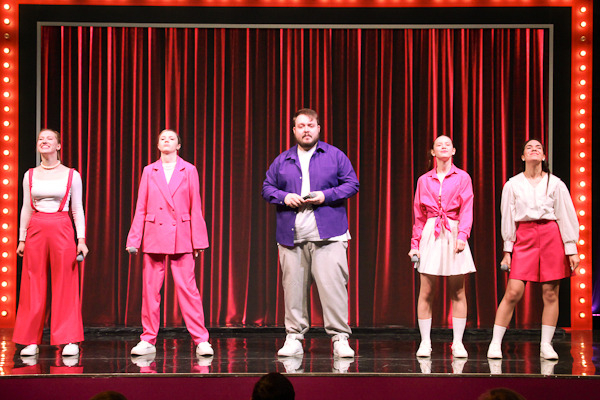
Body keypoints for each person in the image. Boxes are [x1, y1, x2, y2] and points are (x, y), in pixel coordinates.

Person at [262, 108, 359, 358]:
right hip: (292, 237)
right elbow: (267, 187)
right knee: (293, 290)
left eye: (311, 125)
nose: (306, 130)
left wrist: (325, 196)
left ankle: (340, 338)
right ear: (294, 130)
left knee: (333, 288)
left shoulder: (335, 155)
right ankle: (294, 337)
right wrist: (284, 197)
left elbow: (352, 184)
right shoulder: (283, 160)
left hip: (330, 235)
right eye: (302, 126)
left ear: (318, 129)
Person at [487, 139, 579, 360]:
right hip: (525, 236)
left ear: (544, 156)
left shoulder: (555, 183)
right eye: (529, 147)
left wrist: (571, 248)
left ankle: (546, 345)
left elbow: (566, 215)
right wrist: (508, 250)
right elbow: (507, 218)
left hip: (551, 235)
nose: (534, 150)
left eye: (538, 147)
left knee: (550, 292)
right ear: (523, 156)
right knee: (513, 291)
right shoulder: (513, 184)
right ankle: (495, 342)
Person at [126, 129, 213, 357]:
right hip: (154, 233)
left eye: (171, 138)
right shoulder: (149, 170)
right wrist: (134, 238)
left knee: (188, 289)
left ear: (178, 145)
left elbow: (195, 205)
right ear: (157, 145)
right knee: (150, 291)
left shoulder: (189, 170)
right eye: (163, 138)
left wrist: (198, 240)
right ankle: (147, 339)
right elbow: (141, 206)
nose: (166, 140)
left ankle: (201, 339)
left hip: (181, 234)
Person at [13, 129, 88, 357]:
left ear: (58, 146)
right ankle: (29, 340)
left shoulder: (71, 175)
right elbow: (26, 207)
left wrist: (81, 239)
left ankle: (69, 339)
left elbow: (77, 209)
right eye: (41, 139)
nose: (44, 141)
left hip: (62, 226)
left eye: (49, 139)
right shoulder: (30, 175)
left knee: (65, 283)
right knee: (32, 284)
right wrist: (22, 238)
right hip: (36, 227)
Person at [408, 135, 475, 358]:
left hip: (453, 230)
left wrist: (462, 235)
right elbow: (419, 215)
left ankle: (458, 342)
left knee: (458, 290)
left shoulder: (463, 177)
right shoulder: (424, 180)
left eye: (448, 144)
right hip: (431, 231)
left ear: (453, 150)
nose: (444, 147)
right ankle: (425, 341)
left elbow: (467, 209)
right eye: (439, 144)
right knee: (426, 290)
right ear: (433, 152)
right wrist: (415, 244)